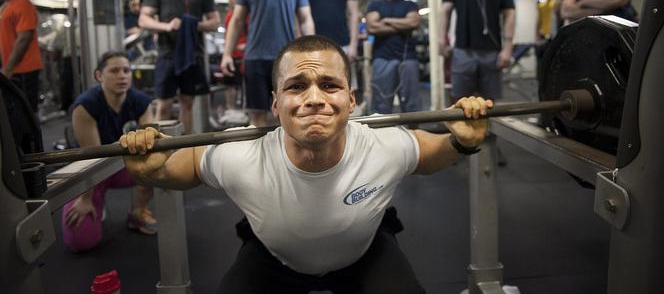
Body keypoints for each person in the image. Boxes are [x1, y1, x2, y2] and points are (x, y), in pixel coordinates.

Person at [120, 35, 493, 294]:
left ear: (351, 100)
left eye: (329, 85)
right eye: (296, 86)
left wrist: (461, 140)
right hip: (273, 259)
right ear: (275, 103)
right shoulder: (245, 154)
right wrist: (156, 171)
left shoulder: (380, 141)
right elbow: (192, 165)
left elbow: (429, 152)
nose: (314, 98)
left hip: (364, 254)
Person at [61, 51, 157, 252]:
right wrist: (86, 199)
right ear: (99, 76)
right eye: (114, 70)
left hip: (124, 166)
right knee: (81, 241)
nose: (122, 75)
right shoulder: (85, 106)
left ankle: (137, 213)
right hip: (92, 172)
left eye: (126, 70)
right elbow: (92, 157)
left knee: (158, 165)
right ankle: (96, 201)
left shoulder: (141, 102)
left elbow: (150, 147)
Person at [221, 0, 315, 127]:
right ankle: (262, 158)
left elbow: (305, 20)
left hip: (286, 59)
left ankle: (285, 158)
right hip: (255, 58)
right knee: (257, 116)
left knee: (288, 114)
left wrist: (313, 53)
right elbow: (237, 20)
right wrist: (227, 54)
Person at [139, 0, 221, 133]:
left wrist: (193, 24)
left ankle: (185, 148)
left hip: (193, 55)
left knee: (187, 103)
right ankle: (160, 148)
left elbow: (215, 21)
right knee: (164, 104)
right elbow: (143, 19)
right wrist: (166, 26)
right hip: (168, 54)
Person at [366, 0, 422, 114]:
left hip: (408, 59)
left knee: (412, 107)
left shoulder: (409, 4)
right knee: (382, 107)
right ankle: (382, 137)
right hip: (382, 59)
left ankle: (415, 136)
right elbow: (372, 27)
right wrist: (403, 26)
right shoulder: (375, 5)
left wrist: (386, 20)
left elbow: (414, 23)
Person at [0, 0, 44, 113]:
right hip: (12, 68)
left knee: (26, 112)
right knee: (14, 112)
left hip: (24, 69)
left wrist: (8, 68)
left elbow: (24, 38)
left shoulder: (23, 5)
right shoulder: (7, 6)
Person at [219, 0, 248, 124]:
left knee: (241, 84)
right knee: (229, 83)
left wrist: (245, 45)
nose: (232, 2)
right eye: (230, 0)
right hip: (230, 54)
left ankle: (242, 110)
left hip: (242, 55)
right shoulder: (228, 16)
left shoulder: (245, 16)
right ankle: (231, 109)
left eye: (235, 0)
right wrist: (227, 52)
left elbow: (248, 33)